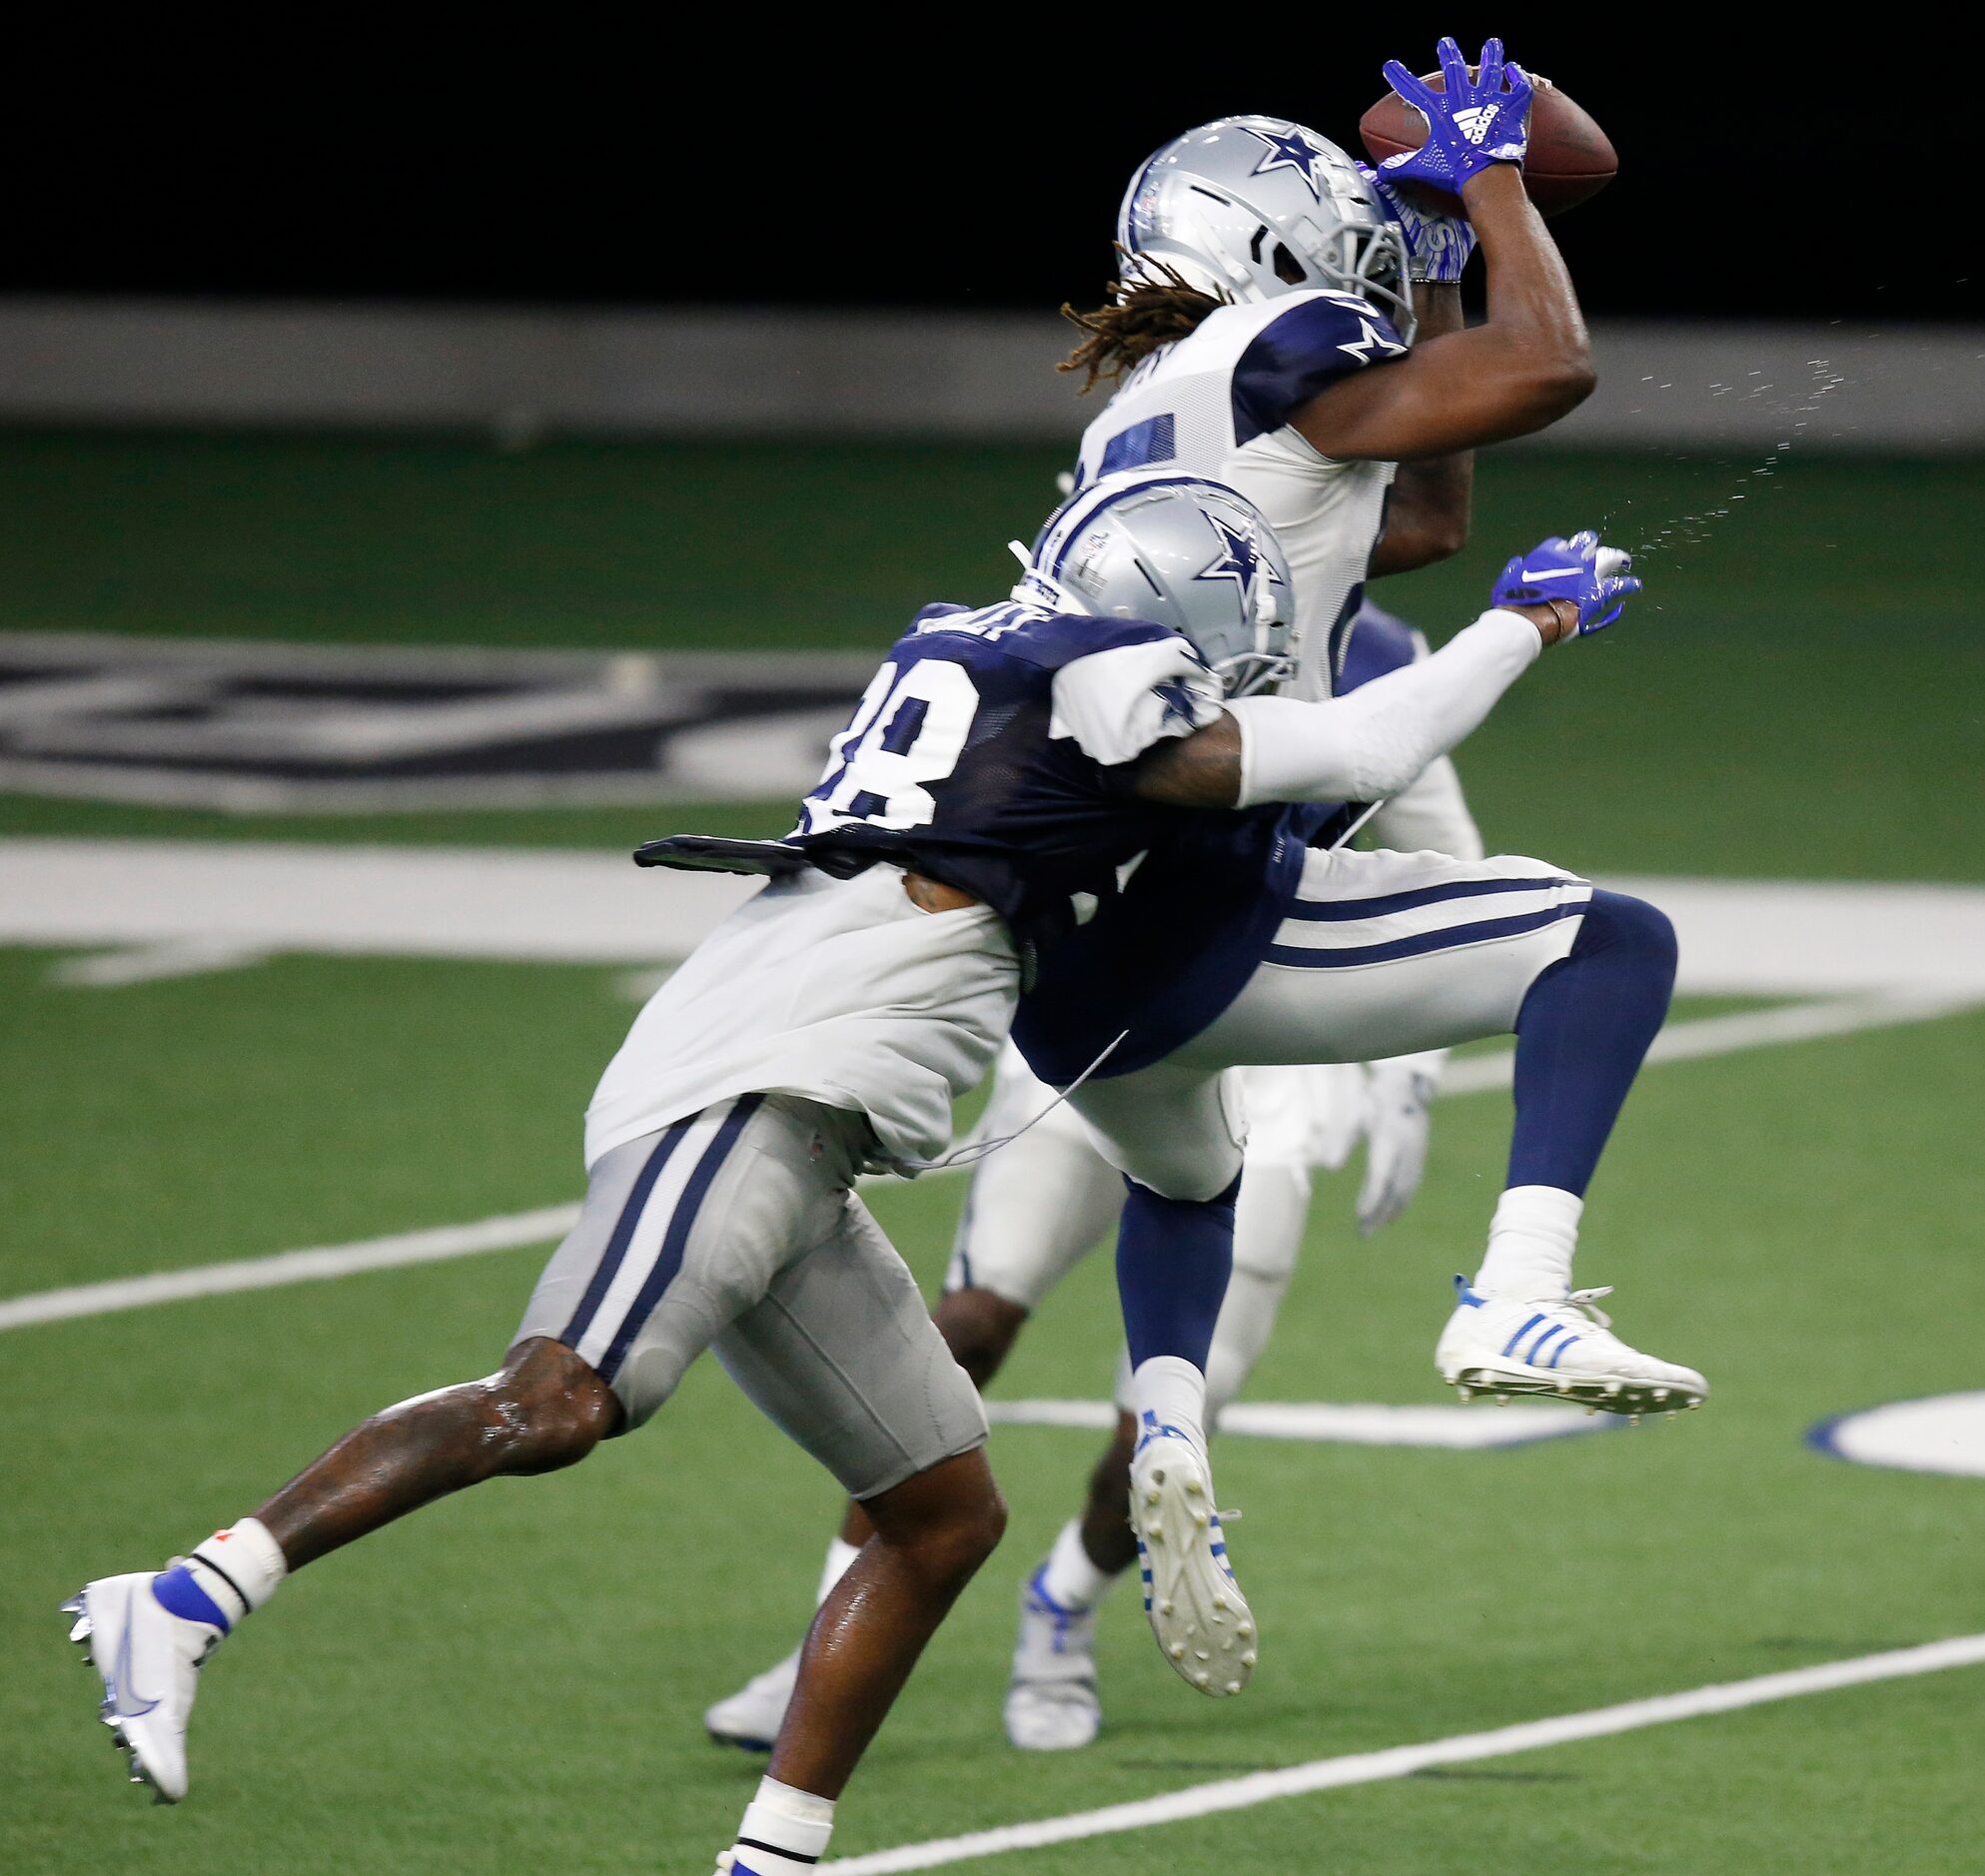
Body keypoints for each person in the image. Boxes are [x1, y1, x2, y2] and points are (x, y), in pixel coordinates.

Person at [66, 471, 1614, 1868]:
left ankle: (775, 1857)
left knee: (942, 1510)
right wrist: (1523, 625)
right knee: (556, 1398)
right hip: (761, 1072)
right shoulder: (1103, 676)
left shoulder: (986, 646)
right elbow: (1357, 739)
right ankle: (193, 1594)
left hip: (824, 1112)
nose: (1220, 693)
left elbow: (1177, 1076)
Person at [707, 38, 1623, 1754]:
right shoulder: (1271, 378)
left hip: (1129, 923)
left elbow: (1412, 521)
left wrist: (1434, 267)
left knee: (1148, 1312)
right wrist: (1486, 184)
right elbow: (1537, 386)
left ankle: (1063, 1597)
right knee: (1019, 1300)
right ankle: (906, 1604)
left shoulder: (1211, 439)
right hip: (1185, 912)